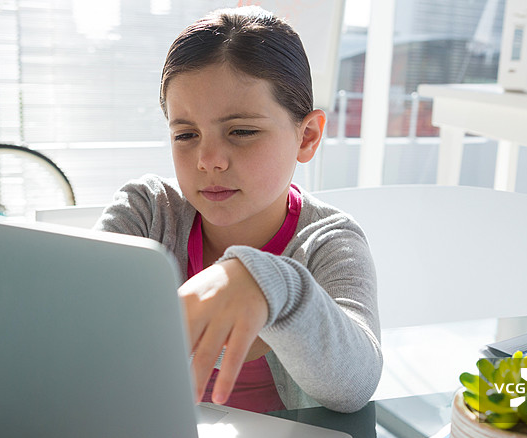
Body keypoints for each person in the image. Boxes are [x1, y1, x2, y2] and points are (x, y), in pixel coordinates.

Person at [95, 6, 381, 414]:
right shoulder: (146, 213)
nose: (208, 160)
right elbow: (78, 328)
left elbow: (355, 386)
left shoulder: (329, 241)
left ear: (308, 137)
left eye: (242, 131)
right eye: (186, 134)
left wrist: (274, 286)